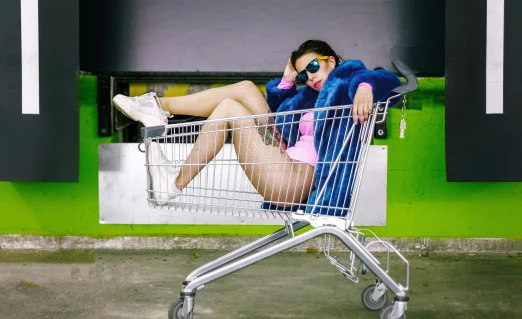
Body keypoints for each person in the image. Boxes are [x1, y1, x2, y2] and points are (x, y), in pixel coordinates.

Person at [113, 39, 400, 212]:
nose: (310, 77)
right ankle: (158, 107)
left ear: (332, 61)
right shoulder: (310, 96)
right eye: (304, 74)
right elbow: (278, 114)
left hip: (296, 182)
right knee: (246, 89)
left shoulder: (349, 80)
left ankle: (174, 185)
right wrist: (289, 80)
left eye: (313, 67)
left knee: (229, 109)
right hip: (284, 161)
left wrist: (364, 87)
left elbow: (387, 80)